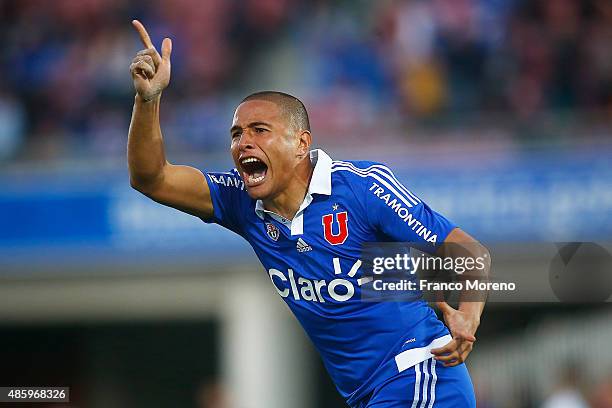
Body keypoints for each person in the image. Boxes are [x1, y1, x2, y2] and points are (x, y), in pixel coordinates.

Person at [128, 20, 490, 408]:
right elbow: (152, 178)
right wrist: (148, 101)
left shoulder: (360, 189)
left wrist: (468, 314)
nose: (243, 142)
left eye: (259, 130)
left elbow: (467, 250)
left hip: (419, 372)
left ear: (301, 143)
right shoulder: (240, 201)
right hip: (368, 394)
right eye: (236, 134)